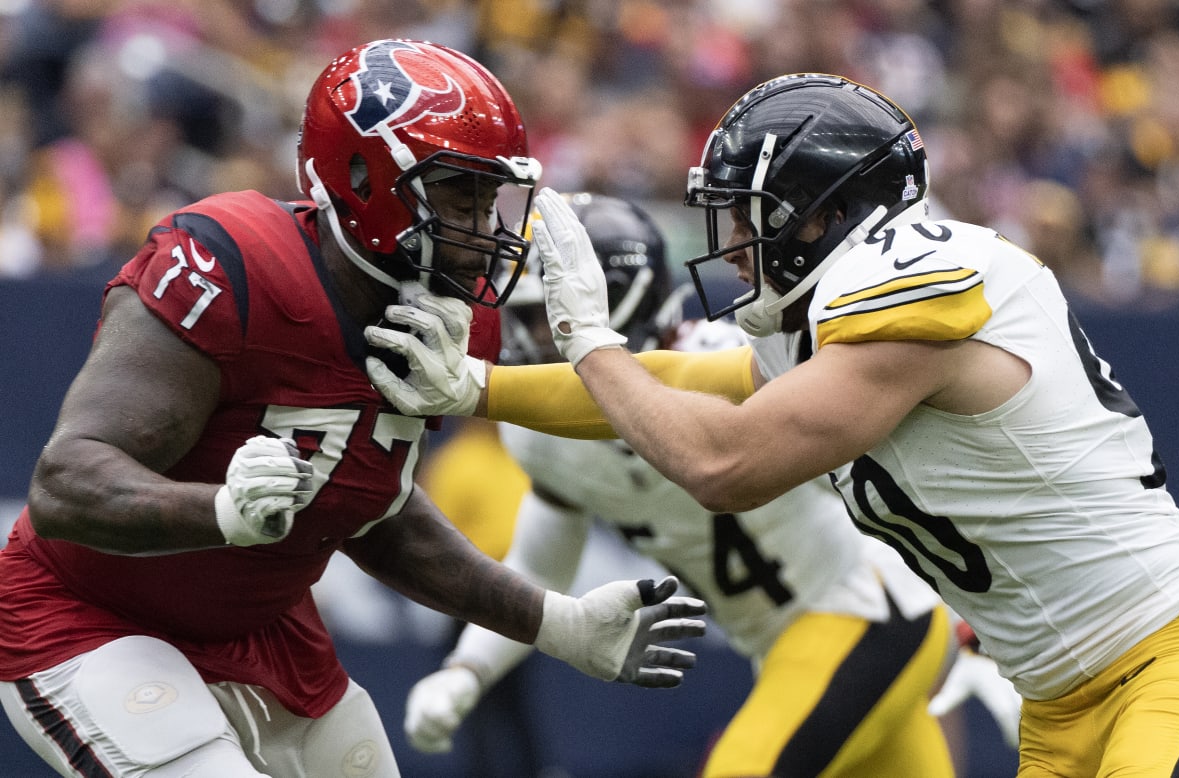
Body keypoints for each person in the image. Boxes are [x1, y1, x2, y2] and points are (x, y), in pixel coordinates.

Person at [368, 74, 1179, 776]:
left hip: (1163, 660)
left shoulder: (911, 289)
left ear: (821, 215)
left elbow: (724, 462)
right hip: (1057, 701)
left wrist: (589, 340)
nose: (731, 244)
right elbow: (682, 379)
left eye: (746, 214)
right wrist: (478, 386)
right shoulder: (821, 327)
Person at [0, 39, 706, 778]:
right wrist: (220, 512)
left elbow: (376, 511)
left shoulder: (450, 314)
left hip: (265, 634)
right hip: (92, 616)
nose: (482, 224)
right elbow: (66, 483)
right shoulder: (235, 263)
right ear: (364, 174)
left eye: (489, 192)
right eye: (457, 191)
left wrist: (555, 624)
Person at [404, 193, 1016, 777]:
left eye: (545, 315)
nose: (525, 339)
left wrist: (976, 611)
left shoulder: (723, 360)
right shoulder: (544, 440)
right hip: (785, 651)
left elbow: (883, 487)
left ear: (617, 303)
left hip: (864, 617)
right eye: (524, 317)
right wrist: (467, 670)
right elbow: (540, 565)